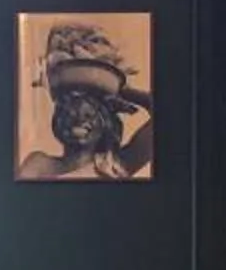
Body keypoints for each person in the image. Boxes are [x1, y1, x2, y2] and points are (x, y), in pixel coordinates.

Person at [19, 23, 153, 179]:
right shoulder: (40, 165)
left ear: (106, 122)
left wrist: (123, 90)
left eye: (89, 115)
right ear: (57, 119)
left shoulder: (118, 164)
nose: (78, 119)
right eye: (70, 112)